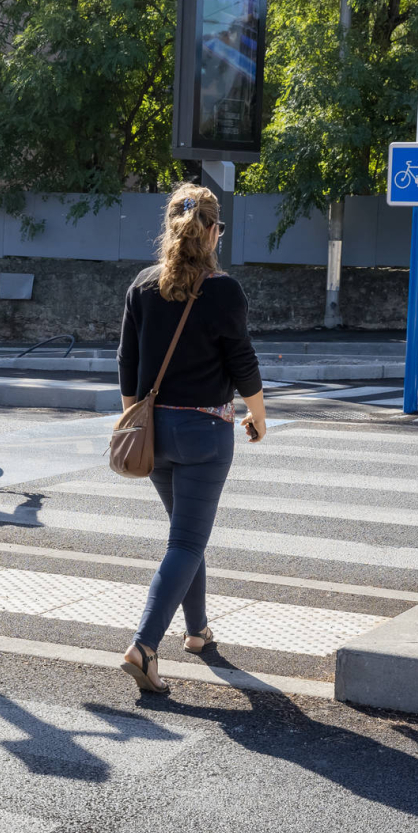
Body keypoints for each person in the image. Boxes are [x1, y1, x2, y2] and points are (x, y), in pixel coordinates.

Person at [117, 183, 265, 695]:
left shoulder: (141, 284)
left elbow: (127, 363)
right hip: (205, 432)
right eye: (219, 227)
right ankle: (144, 645)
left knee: (186, 536)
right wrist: (259, 415)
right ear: (211, 231)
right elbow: (242, 360)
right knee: (185, 540)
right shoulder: (223, 288)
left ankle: (197, 631)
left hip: (154, 432)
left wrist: (134, 422)